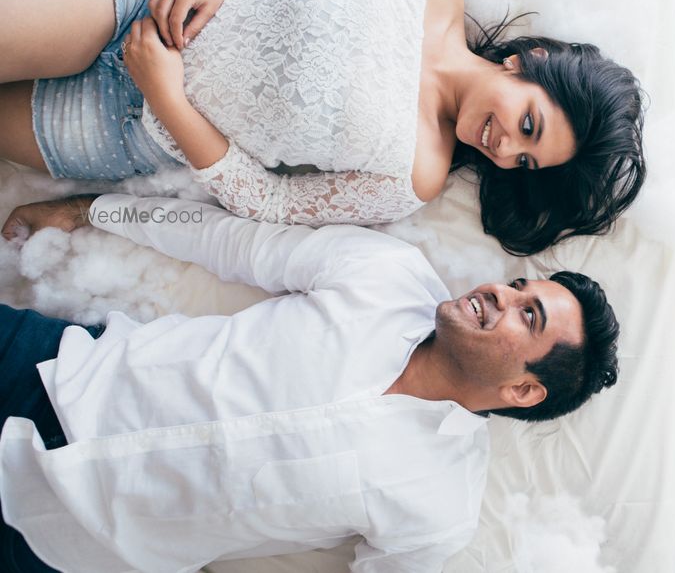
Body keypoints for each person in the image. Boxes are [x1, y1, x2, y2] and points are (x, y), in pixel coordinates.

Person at [0, 193, 621, 572]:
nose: (500, 294)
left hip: (71, 551)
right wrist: (87, 211)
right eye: (519, 288)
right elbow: (224, 239)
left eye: (528, 316)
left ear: (524, 390)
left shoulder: (440, 507)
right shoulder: (386, 274)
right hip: (51, 372)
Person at [0, 0, 646, 255]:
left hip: (122, 125)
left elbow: (268, 203)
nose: (505, 149)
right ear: (527, 60)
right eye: (528, 124)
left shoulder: (412, 179)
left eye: (524, 160)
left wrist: (165, 94)